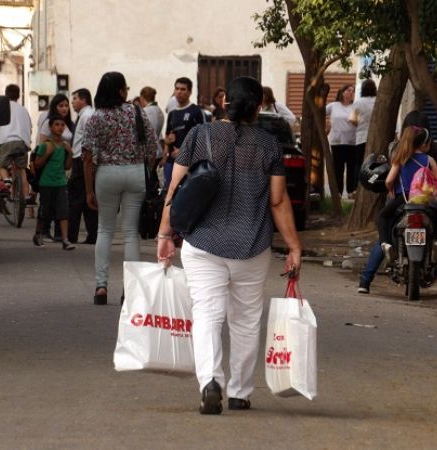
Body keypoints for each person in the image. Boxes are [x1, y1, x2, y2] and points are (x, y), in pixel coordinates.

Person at [156, 76, 302, 415]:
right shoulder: (268, 145)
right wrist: (294, 246)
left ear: (224, 102)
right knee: (246, 319)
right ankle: (239, 391)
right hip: (252, 245)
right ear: (259, 108)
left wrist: (165, 236)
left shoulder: (199, 135)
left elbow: (174, 188)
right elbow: (278, 202)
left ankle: (210, 381)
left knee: (206, 313)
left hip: (203, 243)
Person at [362, 118, 437, 295]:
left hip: (403, 201)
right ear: (424, 144)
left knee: (383, 218)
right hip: (425, 204)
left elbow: (390, 180)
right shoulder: (428, 159)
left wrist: (391, 191)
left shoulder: (399, 158)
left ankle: (368, 276)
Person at [82, 72, 157, 305]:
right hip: (135, 173)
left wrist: (89, 189)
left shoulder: (96, 117)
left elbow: (86, 156)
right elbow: (152, 147)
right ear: (121, 91)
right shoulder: (136, 112)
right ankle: (131, 290)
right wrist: (147, 170)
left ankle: (101, 287)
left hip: (107, 173)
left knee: (104, 230)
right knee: (130, 232)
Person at [32, 115, 76, 250]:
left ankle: (65, 239)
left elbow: (67, 166)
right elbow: (37, 164)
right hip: (46, 183)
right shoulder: (46, 145)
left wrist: (70, 154)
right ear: (51, 127)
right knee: (44, 211)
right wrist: (46, 154)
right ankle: (38, 233)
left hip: (61, 183)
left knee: (63, 211)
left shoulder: (64, 146)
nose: (60, 127)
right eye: (57, 125)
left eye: (62, 125)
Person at [0, 84, 33, 202]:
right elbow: (30, 128)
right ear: (18, 95)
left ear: (5, 94)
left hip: (8, 141)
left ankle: (7, 181)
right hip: (23, 143)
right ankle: (26, 196)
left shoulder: (3, 107)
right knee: (21, 169)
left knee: (2, 166)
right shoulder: (24, 110)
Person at [163, 77, 205, 193]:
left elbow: (201, 138)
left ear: (190, 92)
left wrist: (183, 150)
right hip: (171, 162)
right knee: (170, 195)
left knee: (185, 196)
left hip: (188, 163)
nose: (179, 92)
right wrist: (168, 141)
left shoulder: (196, 111)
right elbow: (167, 137)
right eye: (177, 89)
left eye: (183, 89)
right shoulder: (172, 113)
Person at [68, 88, 98, 244]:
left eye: (75, 98)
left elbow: (89, 141)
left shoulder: (87, 116)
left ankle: (72, 234)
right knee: (86, 198)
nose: (72, 102)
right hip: (81, 159)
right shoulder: (84, 116)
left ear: (83, 100)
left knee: (75, 199)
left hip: (82, 160)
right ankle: (92, 234)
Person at [326, 84, 357, 198]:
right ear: (342, 92)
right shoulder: (334, 106)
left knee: (351, 168)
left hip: (352, 142)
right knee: (338, 168)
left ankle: (351, 191)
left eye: (352, 91)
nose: (351, 93)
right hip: (337, 141)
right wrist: (326, 126)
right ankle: (338, 192)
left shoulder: (355, 107)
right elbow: (320, 112)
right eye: (348, 90)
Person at [348, 79, 377, 196]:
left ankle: (357, 188)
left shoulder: (358, 103)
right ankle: (372, 185)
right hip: (375, 137)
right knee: (374, 164)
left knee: (359, 164)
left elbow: (351, 119)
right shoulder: (378, 101)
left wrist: (359, 124)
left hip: (361, 137)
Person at [138, 86, 166, 189]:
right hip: (158, 149)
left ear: (142, 97)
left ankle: (153, 200)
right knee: (153, 177)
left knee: (148, 180)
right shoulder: (159, 110)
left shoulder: (144, 112)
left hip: (148, 151)